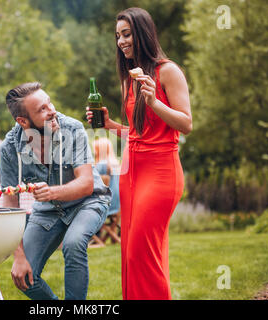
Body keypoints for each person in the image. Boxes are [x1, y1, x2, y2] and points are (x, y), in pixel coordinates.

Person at [86, 7, 192, 300]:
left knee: (141, 253)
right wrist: (108, 124)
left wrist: (155, 101)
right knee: (130, 256)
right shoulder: (128, 79)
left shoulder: (167, 71)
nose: (121, 41)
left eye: (127, 34)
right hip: (131, 172)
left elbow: (186, 123)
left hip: (161, 173)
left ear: (143, 33)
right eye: (118, 35)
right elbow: (138, 134)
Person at [0, 82, 111, 300]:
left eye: (49, 102)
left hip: (88, 202)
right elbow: (10, 206)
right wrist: (19, 255)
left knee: (73, 243)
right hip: (47, 211)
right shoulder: (9, 148)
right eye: (42, 109)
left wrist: (51, 193)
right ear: (23, 121)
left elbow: (86, 184)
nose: (52, 111)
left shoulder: (73, 129)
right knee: (24, 278)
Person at [93, 138, 120, 216]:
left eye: (96, 149)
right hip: (117, 204)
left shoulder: (102, 165)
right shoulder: (115, 164)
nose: (94, 152)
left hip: (106, 204)